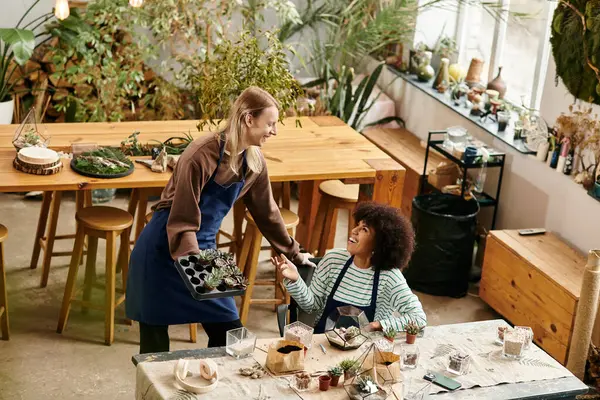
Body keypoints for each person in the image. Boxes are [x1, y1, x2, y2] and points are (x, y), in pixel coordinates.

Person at [126, 86, 314, 353]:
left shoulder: (254, 161)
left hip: (203, 249)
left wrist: (295, 253)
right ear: (249, 119)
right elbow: (181, 220)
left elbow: (267, 212)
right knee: (155, 347)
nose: (274, 131)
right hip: (165, 247)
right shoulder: (200, 154)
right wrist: (197, 269)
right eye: (270, 124)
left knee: (230, 334)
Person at [272, 202, 426, 333]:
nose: (354, 231)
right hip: (323, 343)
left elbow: (418, 318)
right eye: (357, 225)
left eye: (364, 229)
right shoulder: (333, 261)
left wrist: (378, 325)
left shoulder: (389, 277)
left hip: (364, 351)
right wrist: (295, 280)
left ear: (380, 243)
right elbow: (312, 305)